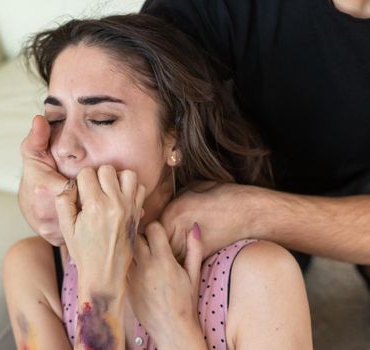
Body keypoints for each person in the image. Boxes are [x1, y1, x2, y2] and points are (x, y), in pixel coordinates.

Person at [3, 14, 312, 349]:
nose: (64, 147)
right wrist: (100, 288)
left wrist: (176, 332)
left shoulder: (260, 277)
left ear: (174, 139)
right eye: (56, 119)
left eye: (101, 119)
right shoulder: (35, 268)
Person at [138, 0, 370, 282]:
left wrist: (253, 213)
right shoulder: (203, 9)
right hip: (209, 196)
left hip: (353, 196)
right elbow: (130, 113)